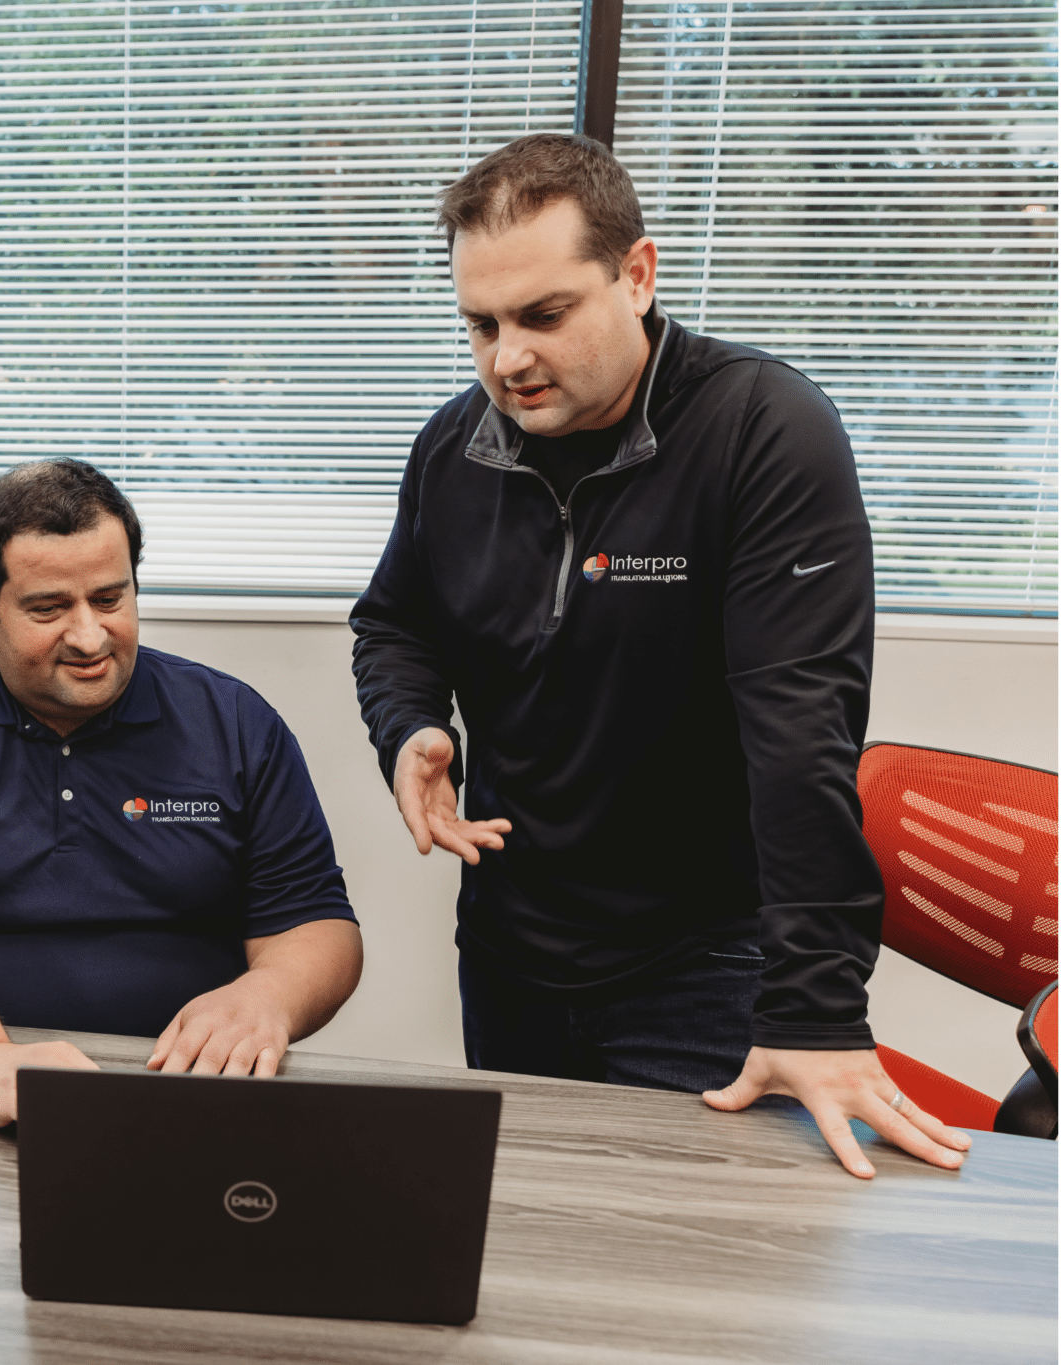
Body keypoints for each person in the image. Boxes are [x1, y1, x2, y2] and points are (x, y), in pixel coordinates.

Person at [349, 134, 970, 1179]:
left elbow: (797, 736)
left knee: (706, 1273)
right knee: (531, 1243)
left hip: (702, 964)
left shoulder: (759, 430)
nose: (507, 359)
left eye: (543, 315)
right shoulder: (452, 447)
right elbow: (394, 624)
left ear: (635, 275)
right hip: (510, 952)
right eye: (480, 324)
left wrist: (813, 1009)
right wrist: (410, 725)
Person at [0, 458, 364, 1128]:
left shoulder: (233, 722)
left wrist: (269, 996)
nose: (88, 635)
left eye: (110, 598)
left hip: (166, 1088)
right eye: (49, 607)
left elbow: (318, 923)